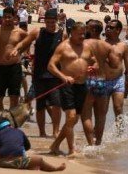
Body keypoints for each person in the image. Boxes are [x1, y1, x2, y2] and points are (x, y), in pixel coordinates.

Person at [47, 22, 112, 155]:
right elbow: (51, 66)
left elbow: (94, 61)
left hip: (82, 85)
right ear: (72, 33)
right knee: (71, 117)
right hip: (67, 85)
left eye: (84, 33)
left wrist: (94, 66)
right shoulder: (63, 47)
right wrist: (63, 76)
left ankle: (55, 145)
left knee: (74, 120)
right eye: (79, 34)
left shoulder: (87, 47)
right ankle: (72, 150)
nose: (82, 36)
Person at [13, 8, 65, 137]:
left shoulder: (62, 34)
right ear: (44, 21)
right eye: (47, 22)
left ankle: (55, 131)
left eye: (52, 22)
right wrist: (16, 49)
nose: (50, 25)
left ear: (56, 21)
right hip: (39, 74)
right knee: (40, 105)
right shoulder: (37, 32)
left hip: (55, 74)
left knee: (56, 104)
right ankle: (42, 132)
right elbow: (24, 42)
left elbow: (66, 53)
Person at [0, 7, 27, 110]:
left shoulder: (20, 32)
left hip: (15, 68)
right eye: (5, 17)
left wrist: (20, 51)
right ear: (2, 18)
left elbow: (29, 40)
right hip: (0, 68)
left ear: (14, 17)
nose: (7, 19)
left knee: (14, 98)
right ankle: (1, 123)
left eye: (9, 17)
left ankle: (11, 123)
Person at [0, 117, 66, 171]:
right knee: (39, 160)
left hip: (2, 163)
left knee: (26, 161)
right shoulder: (19, 131)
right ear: (10, 125)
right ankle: (55, 169)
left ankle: (29, 165)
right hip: (18, 161)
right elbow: (28, 146)